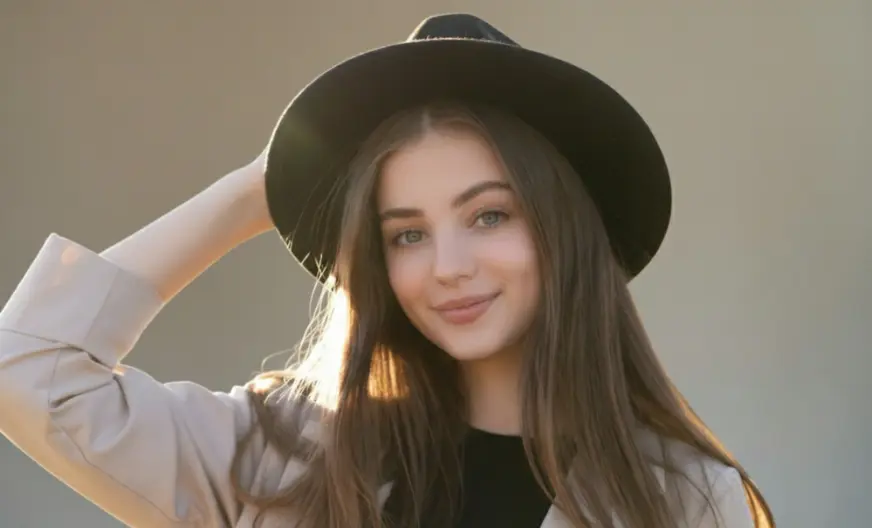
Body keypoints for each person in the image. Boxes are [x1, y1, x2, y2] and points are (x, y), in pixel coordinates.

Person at [0, 13, 774, 528]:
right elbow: (28, 370)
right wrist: (256, 190)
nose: (449, 268)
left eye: (489, 216)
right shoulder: (282, 455)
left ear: (562, 229)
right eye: (406, 234)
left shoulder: (683, 499)